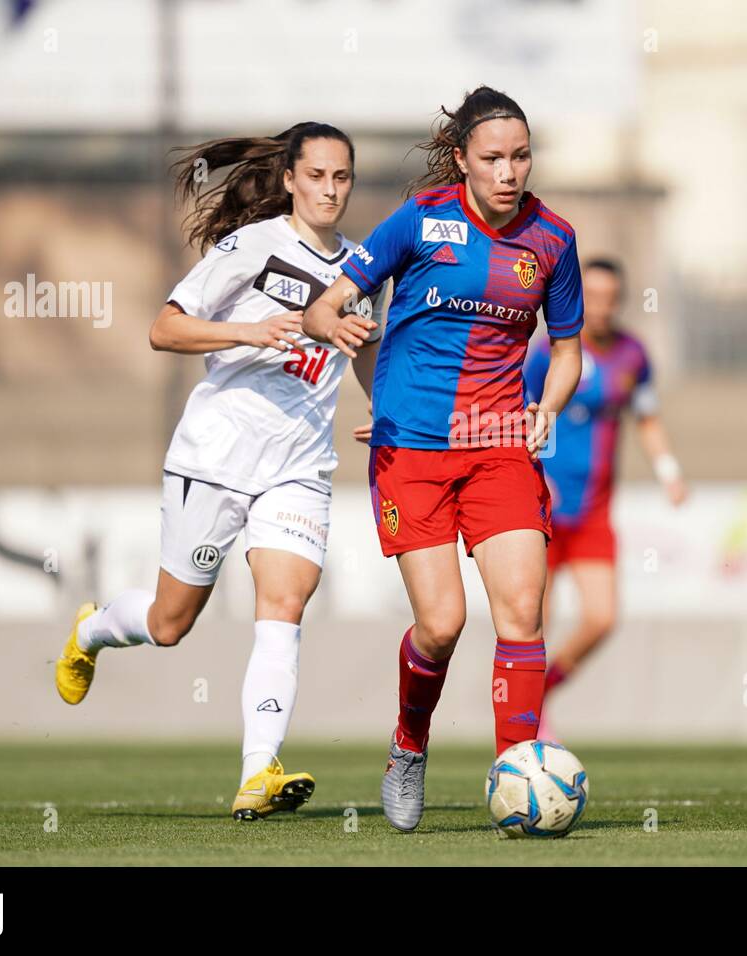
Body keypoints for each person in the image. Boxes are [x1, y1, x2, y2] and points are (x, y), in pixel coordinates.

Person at [54, 122, 383, 821]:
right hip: (214, 459)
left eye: (342, 177)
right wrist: (248, 331)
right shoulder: (251, 248)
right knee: (172, 624)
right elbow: (164, 328)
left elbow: (361, 352)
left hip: (298, 467)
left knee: (285, 606)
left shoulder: (361, 268)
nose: (329, 189)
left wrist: (387, 412)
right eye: (317, 175)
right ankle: (91, 631)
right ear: (291, 180)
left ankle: (257, 773)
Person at [301, 86, 584, 831]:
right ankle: (408, 743)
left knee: (521, 615)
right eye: (492, 157)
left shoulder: (553, 239)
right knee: (443, 626)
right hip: (412, 452)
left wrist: (545, 410)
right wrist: (340, 327)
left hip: (498, 451)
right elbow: (324, 305)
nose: (509, 171)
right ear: (461, 158)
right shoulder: (421, 221)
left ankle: (517, 775)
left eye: (521, 156)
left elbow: (569, 353)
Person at [524, 258, 687, 735]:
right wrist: (533, 470)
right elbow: (522, 412)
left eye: (609, 298)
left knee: (602, 617)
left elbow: (647, 418)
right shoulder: (548, 353)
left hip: (594, 512)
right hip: (544, 509)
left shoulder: (632, 355)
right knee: (536, 621)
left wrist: (669, 472)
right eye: (591, 297)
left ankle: (544, 689)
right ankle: (525, 717)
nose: (600, 307)